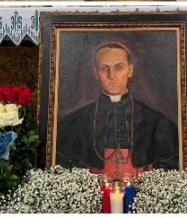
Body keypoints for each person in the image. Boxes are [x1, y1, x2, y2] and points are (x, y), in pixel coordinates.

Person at [56, 41, 179, 178]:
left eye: (119, 67)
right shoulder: (74, 122)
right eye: (104, 68)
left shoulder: (156, 121)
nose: (112, 75)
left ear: (130, 70)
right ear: (96, 73)